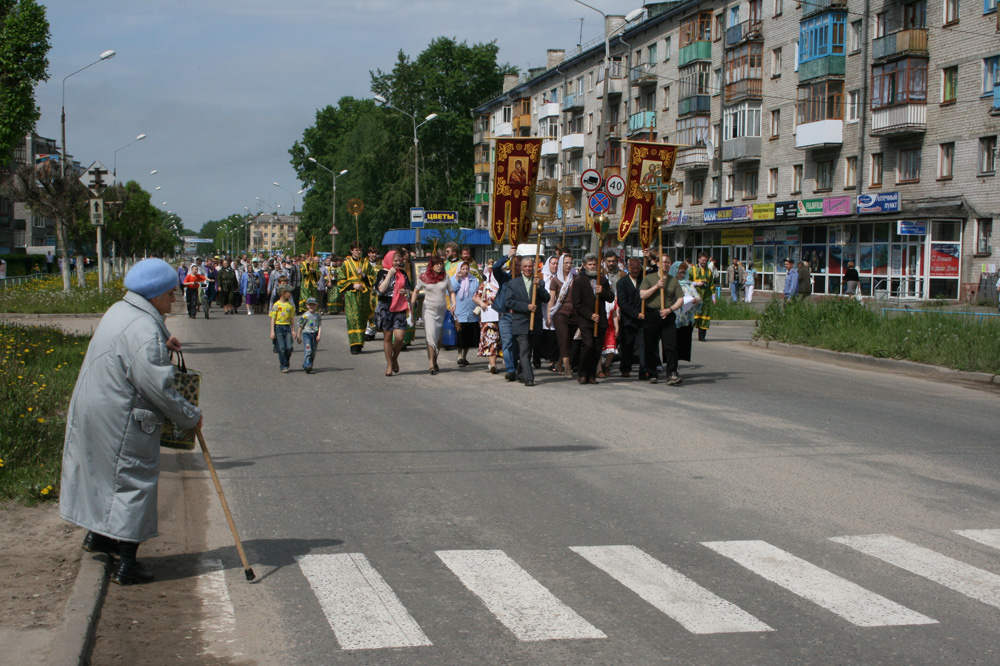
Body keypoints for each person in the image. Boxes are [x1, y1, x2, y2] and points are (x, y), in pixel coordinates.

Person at [60, 258, 202, 586]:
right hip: (121, 415)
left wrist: (161, 345)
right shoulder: (144, 328)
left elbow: (131, 352)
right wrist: (190, 415)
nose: (174, 300)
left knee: (102, 475)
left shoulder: (121, 310)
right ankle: (127, 564)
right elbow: (159, 388)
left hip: (98, 407)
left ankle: (99, 537)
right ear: (155, 295)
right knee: (131, 480)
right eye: (170, 294)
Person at [502, 255, 550, 387]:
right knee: (524, 350)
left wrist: (538, 287)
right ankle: (529, 378)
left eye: (530, 266)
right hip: (520, 321)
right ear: (522, 268)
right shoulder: (513, 283)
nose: (528, 268)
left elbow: (547, 298)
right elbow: (509, 302)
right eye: (525, 266)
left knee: (529, 349)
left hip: (535, 322)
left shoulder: (539, 282)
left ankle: (520, 372)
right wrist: (526, 307)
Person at [641, 253, 686, 385]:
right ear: (658, 263)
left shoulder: (673, 281)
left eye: (668, 262)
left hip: (667, 315)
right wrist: (656, 286)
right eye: (663, 262)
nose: (665, 264)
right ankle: (652, 373)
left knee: (671, 346)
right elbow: (642, 295)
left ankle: (671, 373)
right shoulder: (649, 278)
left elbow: (681, 299)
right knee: (650, 345)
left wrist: (670, 309)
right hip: (652, 315)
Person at [571, 253, 613, 384]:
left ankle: (591, 374)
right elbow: (577, 303)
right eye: (590, 264)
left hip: (600, 320)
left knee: (597, 348)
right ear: (584, 266)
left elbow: (611, 297)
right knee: (588, 345)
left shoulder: (603, 280)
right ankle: (582, 372)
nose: (592, 266)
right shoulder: (579, 282)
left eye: (594, 264)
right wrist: (590, 315)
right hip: (586, 320)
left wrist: (603, 291)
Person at [411, 255, 455, 375]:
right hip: (428, 310)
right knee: (430, 335)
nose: (439, 266)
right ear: (432, 265)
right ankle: (431, 364)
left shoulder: (445, 277)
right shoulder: (424, 277)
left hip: (442, 311)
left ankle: (435, 359)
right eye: (437, 264)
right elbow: (416, 290)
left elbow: (451, 291)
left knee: (439, 339)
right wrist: (412, 304)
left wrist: (454, 304)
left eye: (441, 264)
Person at [375, 249, 412, 376]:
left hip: (400, 306)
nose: (397, 263)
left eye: (399, 261)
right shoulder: (382, 273)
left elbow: (409, 288)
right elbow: (380, 290)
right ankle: (389, 364)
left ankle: (394, 358)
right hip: (386, 306)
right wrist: (390, 274)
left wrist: (405, 292)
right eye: (395, 261)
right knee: (388, 337)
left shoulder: (402, 273)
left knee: (400, 337)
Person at [337, 244, 374, 354]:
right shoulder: (346, 264)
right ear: (351, 251)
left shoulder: (365, 263)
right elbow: (340, 281)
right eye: (356, 250)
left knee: (362, 318)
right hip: (351, 295)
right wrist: (353, 285)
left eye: (360, 250)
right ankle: (353, 344)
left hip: (363, 295)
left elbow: (373, 278)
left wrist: (363, 274)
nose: (358, 252)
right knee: (353, 318)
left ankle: (360, 343)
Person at [490, 247, 520, 381]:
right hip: (505, 315)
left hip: (519, 316)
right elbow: (496, 267)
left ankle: (516, 366)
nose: (517, 268)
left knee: (516, 344)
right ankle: (510, 369)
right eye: (515, 265)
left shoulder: (524, 280)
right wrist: (508, 255)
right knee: (507, 343)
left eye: (519, 265)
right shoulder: (504, 278)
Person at [616, 257, 646, 379]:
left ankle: (644, 369)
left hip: (643, 318)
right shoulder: (622, 283)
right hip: (628, 319)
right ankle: (625, 368)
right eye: (633, 268)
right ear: (628, 268)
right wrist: (635, 314)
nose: (636, 270)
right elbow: (622, 303)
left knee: (643, 345)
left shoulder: (644, 280)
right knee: (627, 345)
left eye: (638, 268)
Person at [549, 253, 577, 378]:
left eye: (570, 263)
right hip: (560, 313)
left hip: (574, 313)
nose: (568, 265)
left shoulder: (576, 278)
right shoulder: (556, 280)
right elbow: (552, 299)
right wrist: (548, 316)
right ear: (561, 264)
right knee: (564, 338)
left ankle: (560, 363)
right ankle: (567, 369)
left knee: (568, 341)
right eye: (566, 263)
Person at [451, 261, 480, 367]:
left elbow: (478, 293)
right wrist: (457, 279)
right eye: (463, 269)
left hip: (471, 312)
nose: (465, 271)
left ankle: (464, 356)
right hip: (460, 312)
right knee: (460, 335)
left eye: (467, 269)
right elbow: (450, 291)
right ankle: (459, 356)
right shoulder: (454, 279)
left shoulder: (474, 280)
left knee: (469, 336)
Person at [473, 262, 501, 374]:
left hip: (502, 317)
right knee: (491, 340)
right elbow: (475, 297)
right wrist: (481, 303)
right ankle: (493, 364)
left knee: (502, 340)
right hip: (488, 318)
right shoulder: (485, 285)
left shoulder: (504, 285)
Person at [687, 253, 715, 341]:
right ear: (698, 259)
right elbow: (686, 281)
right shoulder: (692, 269)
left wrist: (713, 297)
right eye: (703, 260)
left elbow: (711, 284)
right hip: (695, 297)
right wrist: (696, 283)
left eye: (706, 260)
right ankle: (688, 336)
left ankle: (702, 337)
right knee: (693, 317)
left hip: (705, 298)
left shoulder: (709, 271)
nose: (704, 262)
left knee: (704, 316)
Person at [270, 285, 298, 373]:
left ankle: (286, 360)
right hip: (279, 327)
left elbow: (292, 318)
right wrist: (272, 331)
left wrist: (293, 330)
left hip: (287, 327)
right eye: (288, 292)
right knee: (282, 348)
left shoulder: (290, 305)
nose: (290, 294)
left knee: (289, 347)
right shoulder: (276, 305)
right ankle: (284, 366)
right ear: (282, 293)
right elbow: (273, 318)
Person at [296, 297, 322, 374]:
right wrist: (298, 336)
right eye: (310, 305)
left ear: (316, 306)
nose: (311, 307)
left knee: (313, 351)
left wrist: (319, 335)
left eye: (313, 305)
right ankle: (307, 365)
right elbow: (301, 326)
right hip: (307, 334)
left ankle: (308, 364)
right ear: (307, 305)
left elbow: (319, 326)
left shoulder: (317, 316)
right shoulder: (305, 315)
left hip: (314, 334)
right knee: (308, 350)